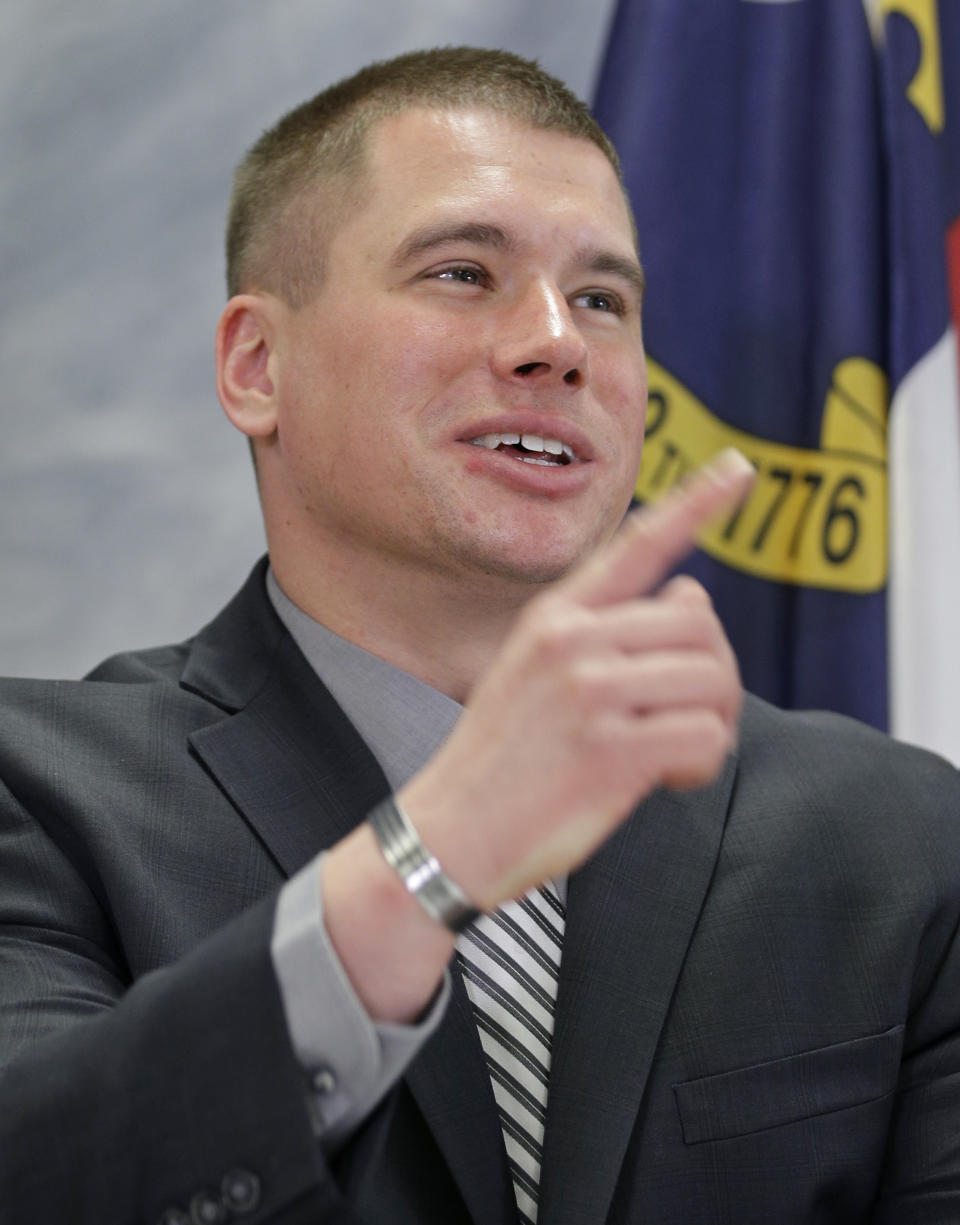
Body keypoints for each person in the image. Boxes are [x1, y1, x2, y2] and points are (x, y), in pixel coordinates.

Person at [1, 46, 958, 1225]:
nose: (557, 340)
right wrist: (436, 851)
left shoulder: (902, 841)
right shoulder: (37, 794)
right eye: (463, 273)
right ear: (259, 365)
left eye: (602, 300)